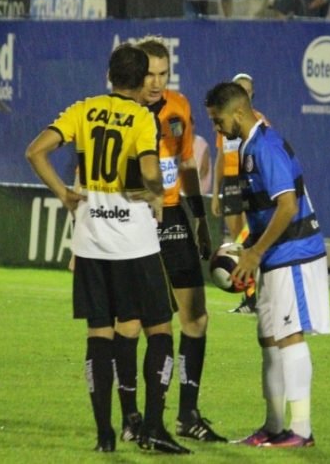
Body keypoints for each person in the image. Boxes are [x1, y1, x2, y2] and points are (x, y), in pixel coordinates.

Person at [24, 43, 190, 454]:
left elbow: (35, 151)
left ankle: (105, 436)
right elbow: (151, 174)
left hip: (91, 241)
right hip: (134, 242)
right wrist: (151, 191)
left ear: (111, 75)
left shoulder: (83, 109)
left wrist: (64, 192)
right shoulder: (140, 117)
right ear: (139, 80)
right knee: (161, 331)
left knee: (99, 336)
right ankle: (152, 427)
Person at [205, 81, 330, 448]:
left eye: (218, 120)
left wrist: (255, 252)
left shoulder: (267, 146)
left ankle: (302, 430)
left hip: (293, 253)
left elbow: (288, 206)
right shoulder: (247, 147)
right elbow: (262, 211)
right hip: (272, 256)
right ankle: (274, 427)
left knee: (290, 336)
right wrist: (244, 247)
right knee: (269, 339)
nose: (216, 128)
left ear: (239, 113)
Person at [133, 36, 226, 443]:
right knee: (137, 324)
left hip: (172, 216)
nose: (155, 82)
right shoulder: (123, 110)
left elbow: (186, 163)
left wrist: (200, 219)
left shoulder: (180, 107)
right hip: (133, 218)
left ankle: (187, 415)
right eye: (148, 74)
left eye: (162, 73)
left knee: (196, 318)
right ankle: (135, 417)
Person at [211, 73, 266, 314]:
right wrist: (215, 193)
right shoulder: (224, 122)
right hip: (231, 185)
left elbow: (265, 157)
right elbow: (221, 159)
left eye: (247, 89)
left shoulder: (259, 121)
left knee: (249, 242)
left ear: (251, 94)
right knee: (236, 246)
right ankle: (248, 297)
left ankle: (257, 298)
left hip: (249, 183)